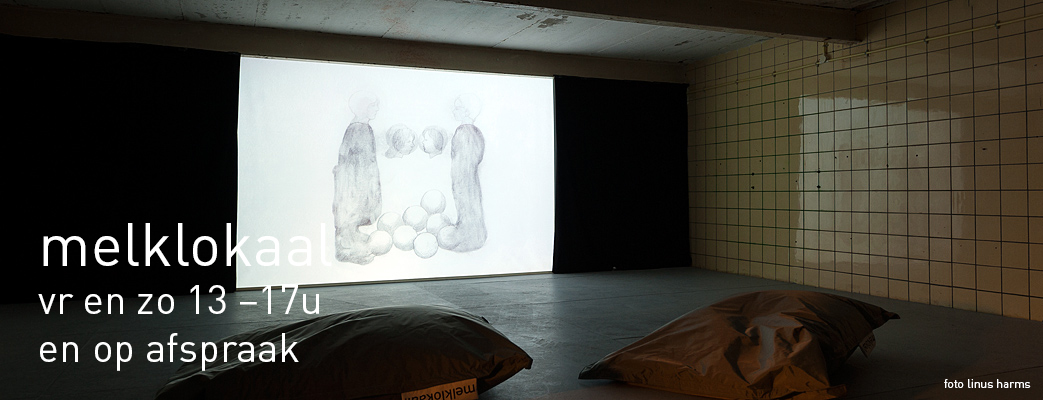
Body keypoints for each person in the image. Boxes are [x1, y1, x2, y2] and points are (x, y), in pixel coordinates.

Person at [332, 91, 382, 264]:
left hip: (356, 178)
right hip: (354, 180)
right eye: (373, 105)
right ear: (363, 108)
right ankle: (347, 247)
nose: (377, 109)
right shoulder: (359, 129)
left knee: (357, 209)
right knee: (352, 209)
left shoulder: (361, 128)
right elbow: (359, 161)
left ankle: (352, 236)